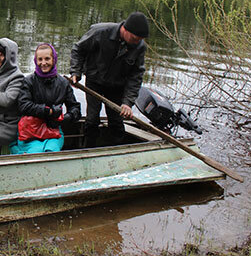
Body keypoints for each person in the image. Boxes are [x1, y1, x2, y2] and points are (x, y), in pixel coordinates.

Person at [69, 11, 149, 147]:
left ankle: (116, 150)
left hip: (117, 86)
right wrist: (76, 72)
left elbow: (136, 76)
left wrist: (127, 102)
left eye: (140, 39)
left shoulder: (139, 47)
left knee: (116, 121)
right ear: (125, 29)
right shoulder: (100, 32)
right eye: (135, 38)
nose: (137, 42)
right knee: (92, 118)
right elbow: (78, 49)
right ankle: (88, 148)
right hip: (94, 81)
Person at [12, 43, 81, 154]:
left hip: (54, 131)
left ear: (54, 59)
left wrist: (64, 119)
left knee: (52, 151)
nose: (43, 63)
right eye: (40, 59)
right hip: (30, 131)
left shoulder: (63, 83)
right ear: (35, 61)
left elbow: (75, 108)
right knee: (35, 153)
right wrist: (48, 111)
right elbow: (23, 105)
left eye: (47, 59)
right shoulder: (28, 81)